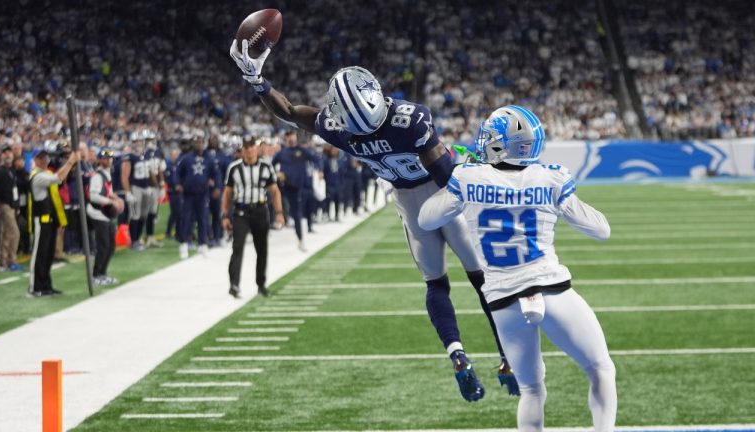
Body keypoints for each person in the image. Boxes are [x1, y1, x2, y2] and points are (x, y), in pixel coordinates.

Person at [230, 40, 518, 401]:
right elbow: (445, 175)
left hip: (409, 204)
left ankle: (457, 354)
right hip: (440, 195)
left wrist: (257, 81)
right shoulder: (410, 119)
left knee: (436, 284)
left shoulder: (339, 129)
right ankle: (508, 357)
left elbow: (289, 110)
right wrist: (479, 178)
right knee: (483, 281)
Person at [418, 105, 617, 431]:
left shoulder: (469, 177)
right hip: (550, 287)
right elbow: (601, 229)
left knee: (531, 389)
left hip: (503, 298)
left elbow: (427, 219)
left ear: (503, 143)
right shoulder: (551, 176)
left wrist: (461, 178)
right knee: (600, 368)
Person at [222, 138, 285, 299]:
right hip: (241, 211)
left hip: (260, 210)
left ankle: (261, 284)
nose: (249, 150)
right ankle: (234, 284)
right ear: (242, 149)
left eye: (252, 147)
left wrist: (279, 213)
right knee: (237, 248)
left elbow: (275, 191)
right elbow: (228, 193)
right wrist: (225, 215)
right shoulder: (234, 168)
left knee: (262, 249)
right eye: (246, 147)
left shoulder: (265, 167)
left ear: (257, 149)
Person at [28, 147, 79, 297]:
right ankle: (34, 287)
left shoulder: (45, 174)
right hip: (41, 221)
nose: (44, 160)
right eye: (41, 158)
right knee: (39, 254)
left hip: (50, 221)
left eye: (45, 157)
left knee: (48, 255)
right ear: (35, 160)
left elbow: (56, 197)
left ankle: (45, 285)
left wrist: (59, 221)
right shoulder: (37, 176)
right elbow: (58, 178)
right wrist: (70, 162)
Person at [272, 130, 322, 251]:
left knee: (297, 214)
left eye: (292, 135)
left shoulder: (302, 151)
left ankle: (300, 239)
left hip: (297, 188)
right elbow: (271, 165)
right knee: (275, 204)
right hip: (283, 186)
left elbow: (317, 159)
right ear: (286, 138)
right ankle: (276, 222)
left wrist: (320, 171)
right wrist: (276, 174)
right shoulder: (281, 153)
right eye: (288, 136)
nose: (291, 138)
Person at [176, 132, 221, 259]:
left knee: (203, 219)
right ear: (192, 144)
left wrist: (218, 187)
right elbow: (178, 172)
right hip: (188, 194)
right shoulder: (186, 158)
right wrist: (178, 184)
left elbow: (216, 173)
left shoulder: (209, 158)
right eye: (196, 142)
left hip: (202, 194)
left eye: (200, 142)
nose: (199, 144)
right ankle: (184, 244)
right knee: (187, 219)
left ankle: (203, 244)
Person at [86, 148, 121, 286]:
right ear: (100, 160)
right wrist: (111, 202)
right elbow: (93, 196)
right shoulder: (97, 176)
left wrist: (115, 197)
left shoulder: (106, 174)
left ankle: (103, 273)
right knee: (104, 245)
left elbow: (108, 191)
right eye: (106, 158)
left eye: (110, 158)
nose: (109, 160)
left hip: (105, 213)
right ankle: (96, 275)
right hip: (98, 213)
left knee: (111, 246)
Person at [0, 146, 22, 271]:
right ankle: (11, 260)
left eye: (10, 152)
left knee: (6, 234)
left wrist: (16, 205)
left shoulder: (11, 170)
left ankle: (3, 261)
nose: (8, 155)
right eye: (5, 152)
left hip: (11, 205)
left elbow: (14, 189)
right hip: (4, 204)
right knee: (14, 233)